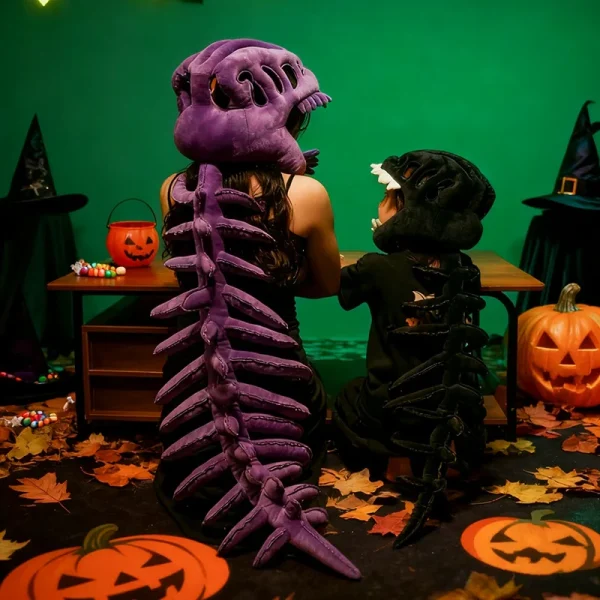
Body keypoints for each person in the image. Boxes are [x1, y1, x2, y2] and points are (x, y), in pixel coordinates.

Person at [152, 40, 359, 578]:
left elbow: (186, 272)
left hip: (194, 375)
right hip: (278, 376)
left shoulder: (172, 188)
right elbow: (326, 286)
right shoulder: (305, 193)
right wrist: (275, 274)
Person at [333, 150, 495, 545]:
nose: (380, 205)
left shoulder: (376, 267)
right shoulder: (466, 269)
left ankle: (382, 464)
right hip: (454, 410)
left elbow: (341, 290)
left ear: (407, 208)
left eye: (387, 197)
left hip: (392, 410)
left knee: (347, 397)